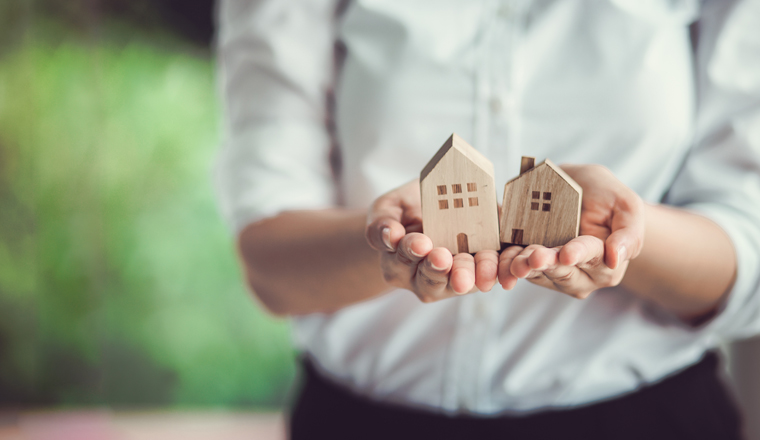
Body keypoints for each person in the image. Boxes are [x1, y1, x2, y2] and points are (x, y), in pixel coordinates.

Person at [214, 0, 760, 438]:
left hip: (645, 420)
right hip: (359, 421)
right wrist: (386, 246)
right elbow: (271, 265)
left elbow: (748, 248)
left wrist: (625, 237)